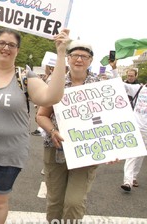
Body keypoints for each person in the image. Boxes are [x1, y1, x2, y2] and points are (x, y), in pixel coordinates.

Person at [0, 27, 68, 224]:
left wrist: (61, 54)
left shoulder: (25, 78)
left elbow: (53, 96)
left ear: (17, 49)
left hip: (9, 153)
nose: (6, 48)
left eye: (12, 45)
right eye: (2, 43)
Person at [36, 40, 105, 223]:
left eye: (84, 56)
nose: (79, 59)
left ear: (90, 60)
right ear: (68, 58)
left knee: (74, 202)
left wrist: (112, 148)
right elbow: (41, 115)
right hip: (56, 149)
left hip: (86, 152)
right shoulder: (56, 82)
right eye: (75, 55)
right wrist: (52, 131)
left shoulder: (100, 86)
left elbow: (108, 123)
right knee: (55, 202)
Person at [110, 61, 147, 192]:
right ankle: (128, 181)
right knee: (133, 153)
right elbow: (120, 85)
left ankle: (134, 177)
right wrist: (114, 69)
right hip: (136, 126)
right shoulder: (140, 89)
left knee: (141, 155)